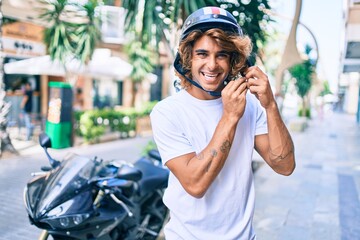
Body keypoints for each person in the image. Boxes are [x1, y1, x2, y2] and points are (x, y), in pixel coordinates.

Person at [150, 6, 295, 240]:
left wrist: (270, 105)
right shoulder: (167, 112)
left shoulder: (250, 105)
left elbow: (285, 166)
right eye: (202, 54)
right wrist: (229, 117)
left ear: (234, 61)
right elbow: (196, 185)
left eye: (222, 55)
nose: (212, 65)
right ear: (188, 58)